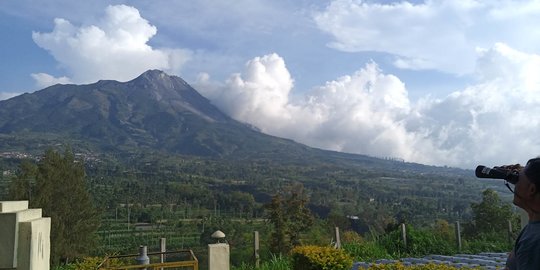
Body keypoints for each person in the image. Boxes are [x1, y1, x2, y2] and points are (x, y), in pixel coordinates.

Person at [504, 158, 540, 269]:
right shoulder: (534, 226)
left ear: (532, 190)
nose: (515, 184)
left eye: (518, 179)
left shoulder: (533, 242)